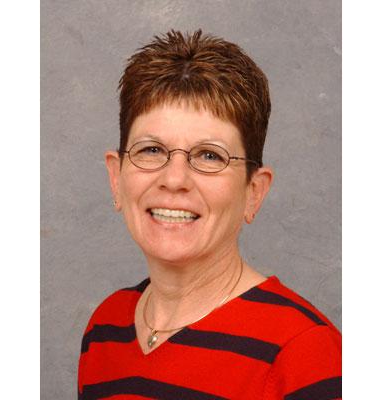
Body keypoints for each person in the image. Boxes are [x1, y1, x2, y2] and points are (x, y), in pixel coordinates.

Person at [78, 30, 341, 400]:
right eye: (151, 150)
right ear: (116, 177)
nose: (174, 180)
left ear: (254, 191)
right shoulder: (105, 329)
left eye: (209, 156)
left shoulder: (305, 354)